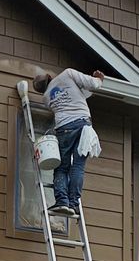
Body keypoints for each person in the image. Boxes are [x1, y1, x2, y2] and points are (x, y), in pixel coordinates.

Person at [33, 66, 104, 213]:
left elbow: (81, 93)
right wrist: (98, 79)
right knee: (78, 167)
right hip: (84, 126)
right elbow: (90, 87)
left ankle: (62, 201)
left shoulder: (46, 98)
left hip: (64, 128)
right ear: (50, 77)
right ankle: (73, 203)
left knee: (62, 167)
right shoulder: (68, 74)